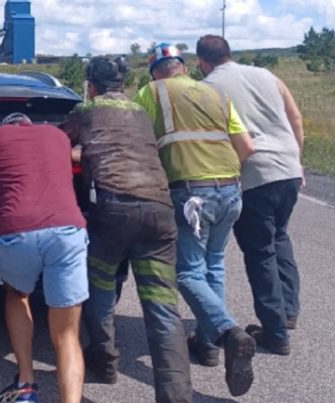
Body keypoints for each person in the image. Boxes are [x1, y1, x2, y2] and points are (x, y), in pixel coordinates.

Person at [60, 56, 192, 402]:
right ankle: (176, 394)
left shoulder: (85, 112)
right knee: (163, 306)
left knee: (101, 285)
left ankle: (104, 360)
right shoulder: (139, 113)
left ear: (91, 86)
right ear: (125, 85)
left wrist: (82, 155)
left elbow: (55, 147)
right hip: (159, 212)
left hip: (113, 211)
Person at [134, 43, 257, 397]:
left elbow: (138, 141)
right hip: (231, 189)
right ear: (184, 67)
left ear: (155, 71)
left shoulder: (150, 92)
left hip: (190, 193)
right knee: (214, 264)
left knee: (187, 271)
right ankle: (208, 344)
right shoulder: (214, 93)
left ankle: (228, 332)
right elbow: (247, 147)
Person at [0, 112, 88, 403]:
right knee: (68, 334)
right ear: (30, 125)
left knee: (18, 293)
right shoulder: (58, 136)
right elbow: (74, 157)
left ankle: (26, 384)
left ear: (6, 127)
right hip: (67, 230)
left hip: (17, 229)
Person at [197, 34, 304, 355]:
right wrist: (297, 160)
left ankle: (275, 334)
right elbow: (295, 117)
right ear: (230, 54)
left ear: (202, 62)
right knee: (279, 238)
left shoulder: (208, 88)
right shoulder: (266, 75)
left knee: (260, 252)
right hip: (288, 167)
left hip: (254, 173)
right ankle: (288, 312)